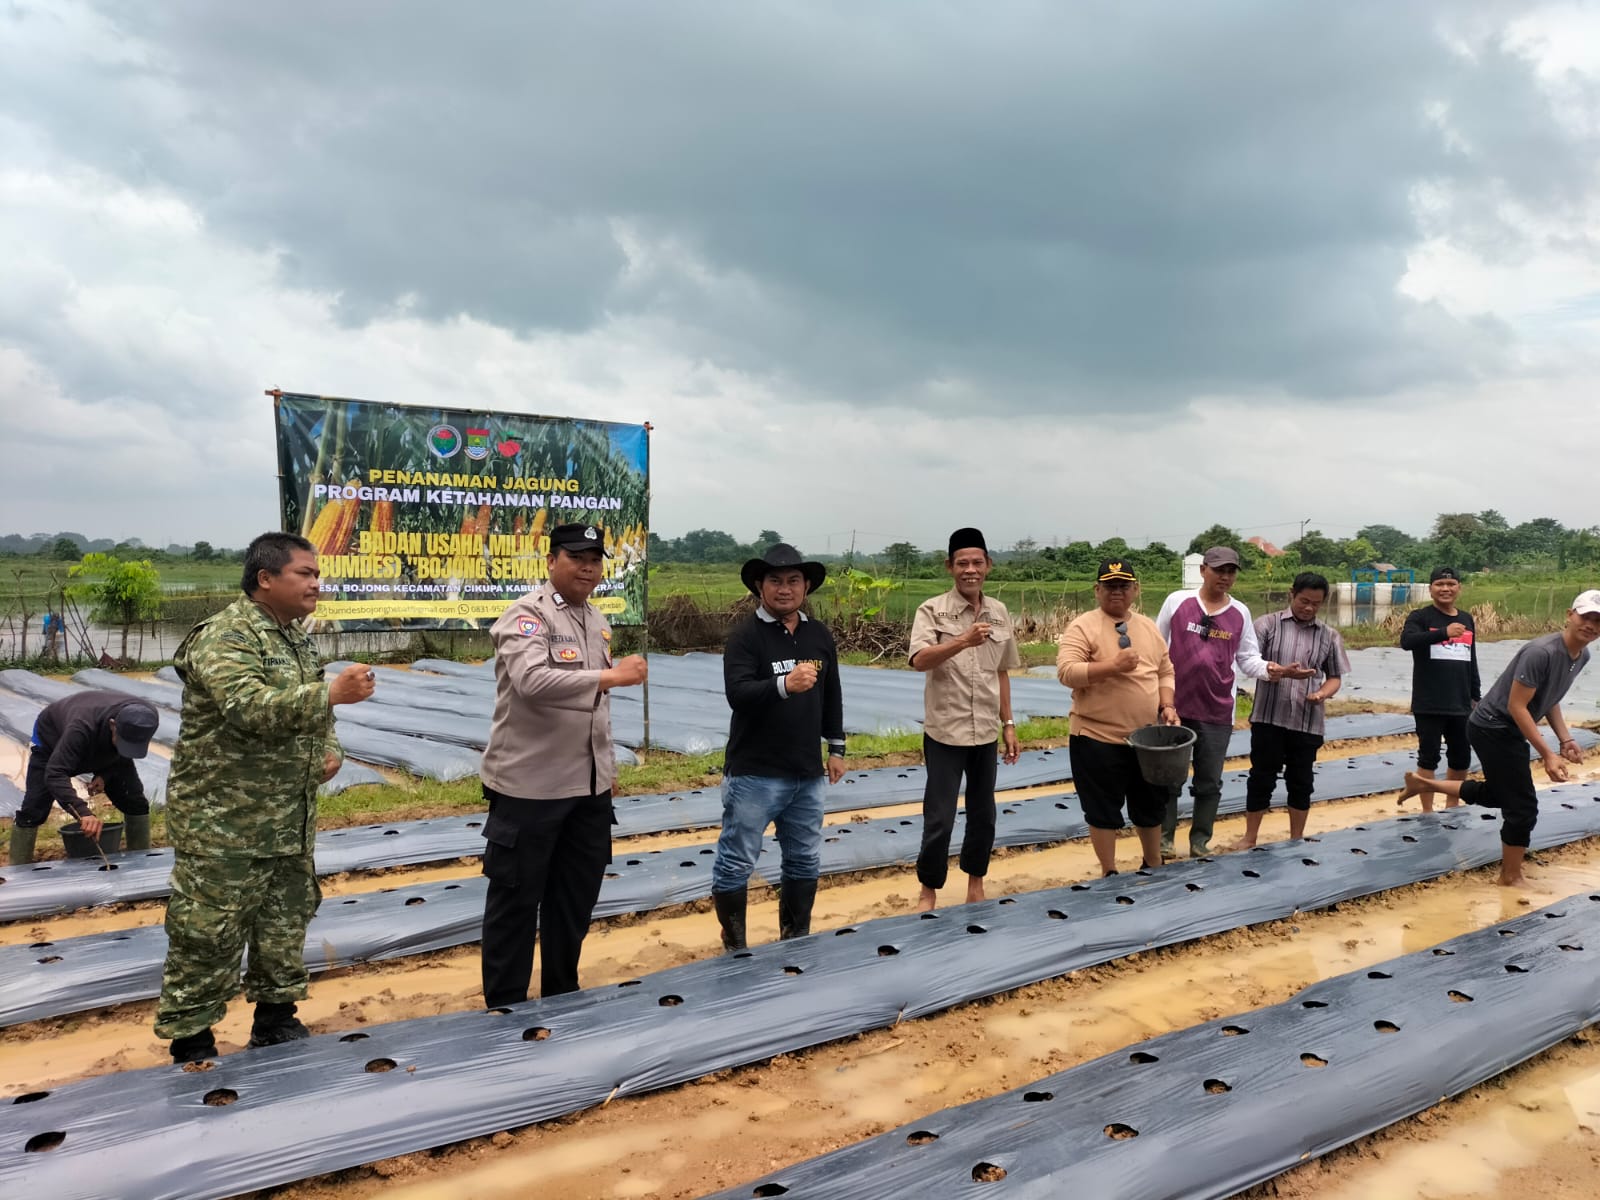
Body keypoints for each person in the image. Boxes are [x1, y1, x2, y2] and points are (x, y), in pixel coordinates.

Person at [153, 531, 377, 1063]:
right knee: (207, 930)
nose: (316, 584)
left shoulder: (295, 637)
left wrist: (331, 747)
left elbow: (319, 716)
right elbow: (247, 706)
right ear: (266, 579)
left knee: (285, 919)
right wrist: (330, 692)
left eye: (318, 575)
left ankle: (276, 1017)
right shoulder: (226, 635)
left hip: (288, 816)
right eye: (306, 574)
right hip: (224, 820)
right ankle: (194, 1037)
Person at [478, 522, 648, 1008]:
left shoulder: (596, 620)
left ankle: (561, 994)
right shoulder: (526, 617)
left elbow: (599, 711)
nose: (588, 566)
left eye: (596, 558)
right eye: (577, 557)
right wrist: (609, 676)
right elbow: (532, 682)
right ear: (551, 561)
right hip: (530, 789)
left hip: (587, 788)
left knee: (573, 900)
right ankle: (505, 1006)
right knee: (515, 901)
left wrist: (606, 769)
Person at [1400, 591, 1600, 887]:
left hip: (1507, 728)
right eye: (1586, 617)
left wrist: (1565, 739)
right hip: (1492, 726)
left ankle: (1425, 783)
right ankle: (1510, 877)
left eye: (1598, 622)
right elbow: (1516, 706)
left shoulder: (1581, 655)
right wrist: (1547, 754)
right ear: (1570, 615)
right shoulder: (1541, 652)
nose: (1591, 626)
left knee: (1499, 794)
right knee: (1522, 807)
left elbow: (1550, 698)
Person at [711, 543, 846, 950]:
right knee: (737, 859)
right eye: (775, 581)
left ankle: (795, 940)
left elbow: (832, 694)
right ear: (759, 586)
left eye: (793, 581)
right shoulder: (745, 637)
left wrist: (836, 747)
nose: (784, 589)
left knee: (804, 858)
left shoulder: (818, 635)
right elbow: (738, 693)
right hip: (755, 773)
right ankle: (735, 945)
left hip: (806, 773)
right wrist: (784, 685)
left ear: (806, 587)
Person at [907, 528, 1021, 912]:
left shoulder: (999, 612)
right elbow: (920, 660)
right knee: (939, 817)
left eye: (977, 563)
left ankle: (976, 881)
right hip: (944, 731)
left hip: (985, 731)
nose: (970, 570)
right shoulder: (931, 610)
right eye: (962, 563)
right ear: (949, 567)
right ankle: (929, 888)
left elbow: (1002, 672)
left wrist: (1009, 725)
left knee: (983, 812)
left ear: (988, 566)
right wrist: (960, 641)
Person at [1056, 559, 1180, 877]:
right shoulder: (1083, 626)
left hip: (1147, 738)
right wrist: (1112, 666)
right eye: (1110, 586)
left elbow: (1165, 670)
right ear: (1097, 590)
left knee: (1150, 804)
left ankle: (1153, 861)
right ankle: (1109, 870)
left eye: (1124, 585)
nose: (1117, 592)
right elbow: (1067, 672)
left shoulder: (1148, 627)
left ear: (1136, 589)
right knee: (1102, 810)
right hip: (1096, 736)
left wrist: (1167, 704)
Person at [1153, 546, 1272, 859]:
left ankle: (1199, 841)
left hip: (1217, 710)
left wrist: (1272, 670)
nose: (1226, 577)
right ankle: (1164, 839)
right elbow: (1155, 648)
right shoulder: (1177, 602)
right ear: (1203, 570)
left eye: (1231, 571)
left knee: (1208, 781)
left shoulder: (1240, 613)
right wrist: (1157, 696)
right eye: (1220, 570)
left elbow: (1248, 659)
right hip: (1174, 707)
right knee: (1168, 778)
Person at [1231, 573, 1346, 849]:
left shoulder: (1329, 636)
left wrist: (1321, 694)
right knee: (1261, 777)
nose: (1309, 608)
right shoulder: (1267, 625)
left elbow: (1335, 677)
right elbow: (1248, 661)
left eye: (1316, 604)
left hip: (1307, 721)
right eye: (1304, 601)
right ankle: (1250, 837)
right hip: (1269, 718)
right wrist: (1281, 672)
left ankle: (1296, 838)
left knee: (1301, 781)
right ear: (1291, 594)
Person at [6, 692, 160, 865]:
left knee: (134, 799)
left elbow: (122, 752)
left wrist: (105, 775)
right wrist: (83, 812)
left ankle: (142, 861)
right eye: (123, 741)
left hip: (100, 735)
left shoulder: (146, 717)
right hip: (51, 738)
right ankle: (17, 867)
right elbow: (55, 773)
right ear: (113, 725)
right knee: (34, 807)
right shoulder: (80, 728)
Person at [1398, 567, 1480, 812]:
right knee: (1429, 756)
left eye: (1451, 583)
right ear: (1431, 588)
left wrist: (1475, 695)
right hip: (1429, 702)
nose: (1446, 588)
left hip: (1461, 701)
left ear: (1459, 588)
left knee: (1461, 756)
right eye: (1440, 584)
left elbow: (1471, 659)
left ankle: (1452, 805)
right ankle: (1427, 809)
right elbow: (1407, 642)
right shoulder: (1420, 617)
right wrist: (1444, 633)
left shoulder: (1466, 619)